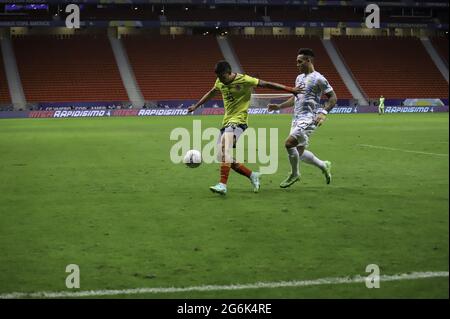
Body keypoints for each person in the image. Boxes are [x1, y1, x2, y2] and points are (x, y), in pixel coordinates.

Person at [188, 60, 303, 195]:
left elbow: (266, 84)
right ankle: (252, 175)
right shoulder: (219, 81)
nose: (221, 80)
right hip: (227, 121)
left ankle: (222, 185)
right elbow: (212, 92)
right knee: (222, 155)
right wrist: (196, 105)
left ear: (229, 73)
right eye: (218, 77)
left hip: (239, 120)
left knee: (224, 147)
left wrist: (290, 89)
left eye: (223, 77)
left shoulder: (244, 80)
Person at [268, 48, 337, 188]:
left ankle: (295, 174)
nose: (297, 64)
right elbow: (295, 98)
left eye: (299, 62)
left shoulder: (319, 78)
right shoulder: (299, 78)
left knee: (288, 144)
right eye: (296, 62)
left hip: (310, 118)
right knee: (299, 152)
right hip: (296, 118)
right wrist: (279, 106)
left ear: (308, 61)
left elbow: (333, 97)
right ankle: (324, 165)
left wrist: (323, 113)